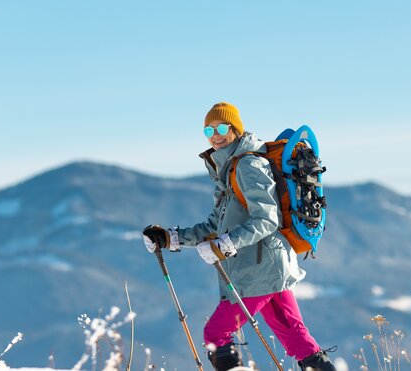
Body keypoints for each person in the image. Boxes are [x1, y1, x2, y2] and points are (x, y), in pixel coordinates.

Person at [142, 102, 335, 371]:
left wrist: (227, 244)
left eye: (221, 127)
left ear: (235, 129)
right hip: (268, 267)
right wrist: (171, 238)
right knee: (298, 341)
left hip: (259, 269)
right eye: (208, 129)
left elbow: (267, 219)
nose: (215, 134)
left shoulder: (248, 164)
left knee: (216, 335)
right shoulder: (229, 169)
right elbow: (215, 224)